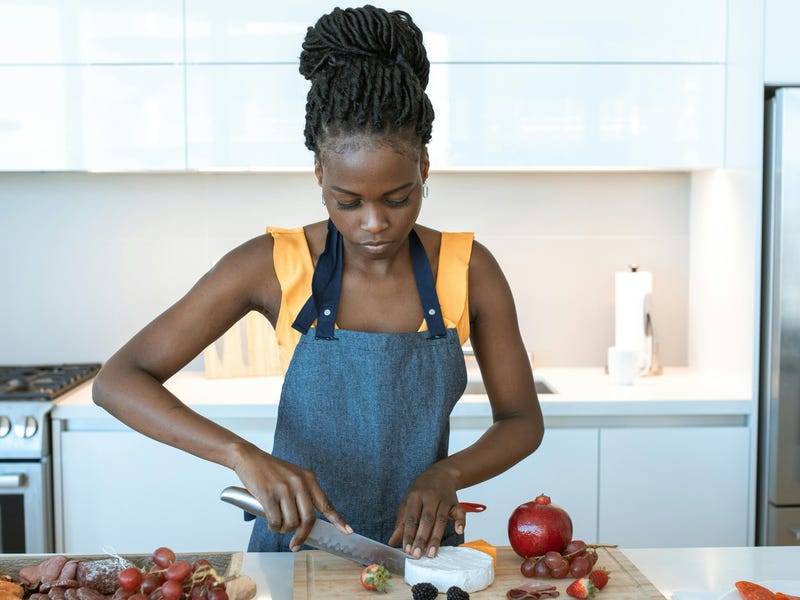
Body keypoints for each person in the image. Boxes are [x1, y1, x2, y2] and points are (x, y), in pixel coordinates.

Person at [92, 4, 544, 559]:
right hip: (292, 556)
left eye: (398, 198)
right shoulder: (273, 264)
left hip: (420, 558)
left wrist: (448, 474)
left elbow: (522, 421)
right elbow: (118, 379)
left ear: (424, 167)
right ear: (319, 176)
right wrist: (242, 456)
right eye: (347, 202)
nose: (373, 223)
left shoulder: (469, 269)